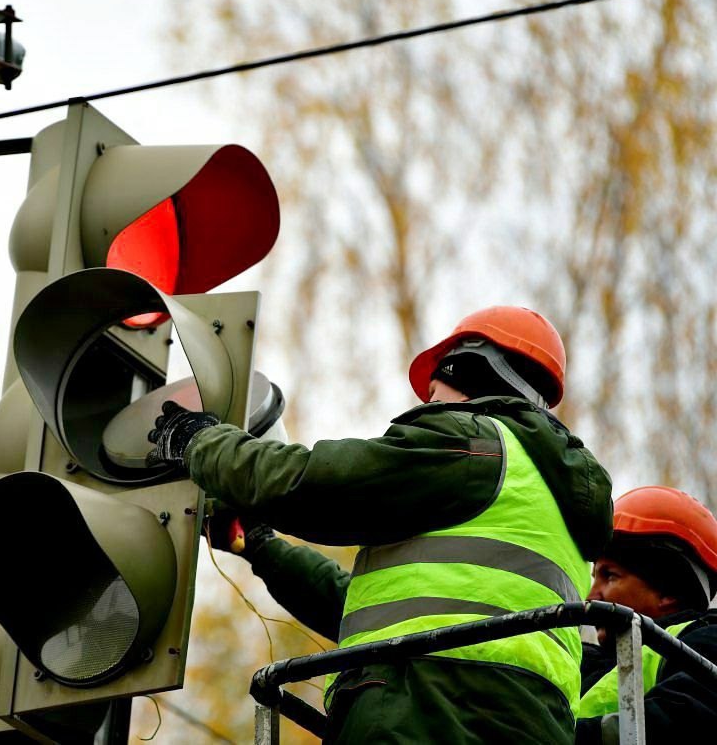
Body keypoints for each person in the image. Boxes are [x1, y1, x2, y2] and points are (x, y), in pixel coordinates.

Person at [149, 306, 613, 744]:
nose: (429, 406)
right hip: (525, 720)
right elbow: (370, 610)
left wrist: (199, 442)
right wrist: (261, 546)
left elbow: (312, 486)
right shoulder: (550, 497)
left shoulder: (473, 443)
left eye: (435, 394)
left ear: (473, 372)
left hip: (429, 710)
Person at [576, 485, 717, 744]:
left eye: (610, 576)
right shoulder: (578, 663)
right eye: (594, 576)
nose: (590, 596)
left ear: (668, 590)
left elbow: (679, 722)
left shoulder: (707, 644)